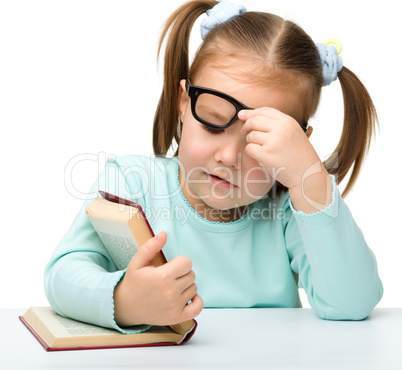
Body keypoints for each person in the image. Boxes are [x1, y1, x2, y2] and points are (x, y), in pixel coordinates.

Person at [44, 0, 383, 333]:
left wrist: (308, 177)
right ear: (182, 102)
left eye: (260, 141)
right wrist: (125, 300)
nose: (228, 158)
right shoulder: (132, 183)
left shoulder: (289, 211)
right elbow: (63, 275)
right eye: (212, 122)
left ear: (298, 144)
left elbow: (351, 304)